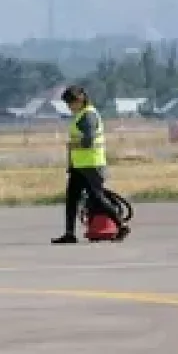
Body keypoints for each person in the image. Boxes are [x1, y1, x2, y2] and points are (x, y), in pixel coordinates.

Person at [52, 85, 130, 244]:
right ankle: (69, 233)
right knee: (71, 199)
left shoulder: (88, 116)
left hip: (92, 165)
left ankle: (121, 225)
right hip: (79, 166)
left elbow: (88, 141)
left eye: (70, 103)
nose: (69, 107)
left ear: (79, 101)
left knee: (98, 197)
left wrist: (73, 146)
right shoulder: (81, 115)